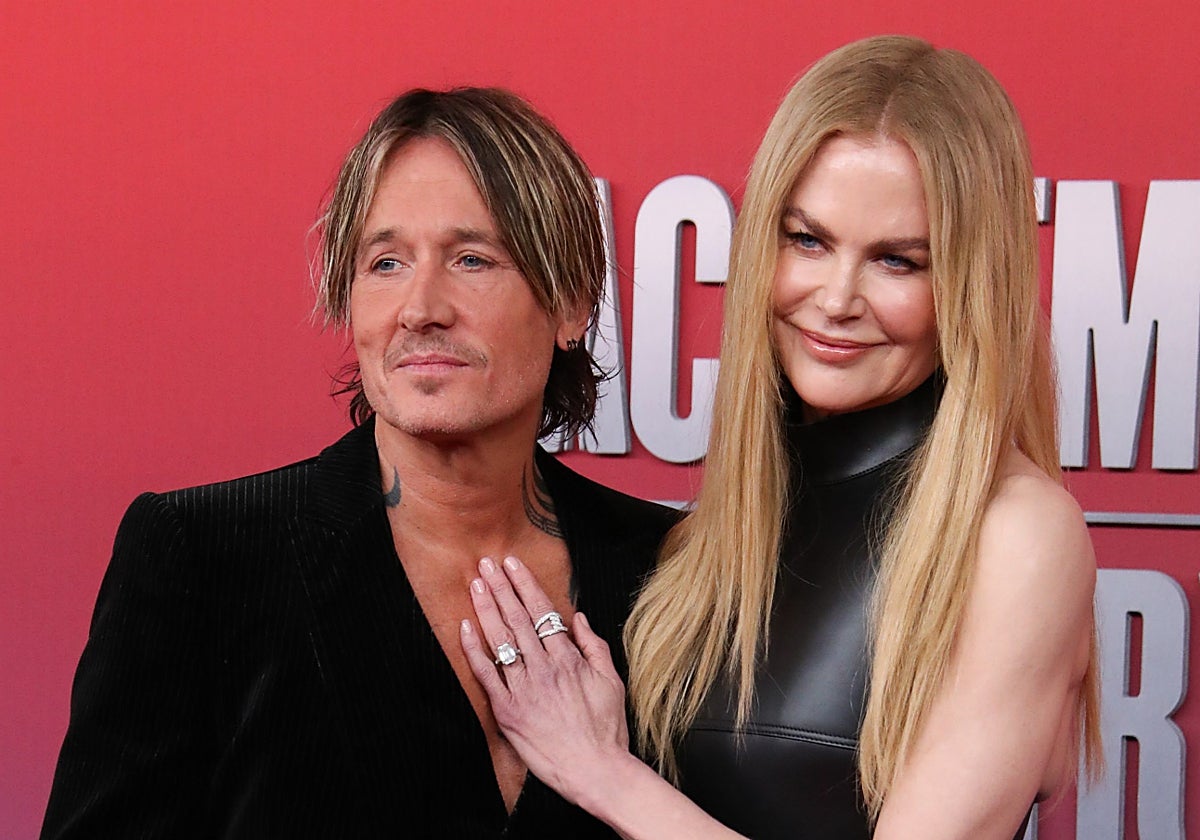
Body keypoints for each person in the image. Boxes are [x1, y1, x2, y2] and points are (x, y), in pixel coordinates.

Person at [460, 36, 1100, 840]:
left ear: (972, 284)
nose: (835, 299)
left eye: (898, 261)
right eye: (808, 240)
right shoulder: (711, 536)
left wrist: (604, 775)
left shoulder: (1018, 536)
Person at [41, 87, 677, 838]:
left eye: (472, 259)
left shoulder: (668, 569)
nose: (420, 308)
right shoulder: (201, 556)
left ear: (571, 303)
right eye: (386, 263)